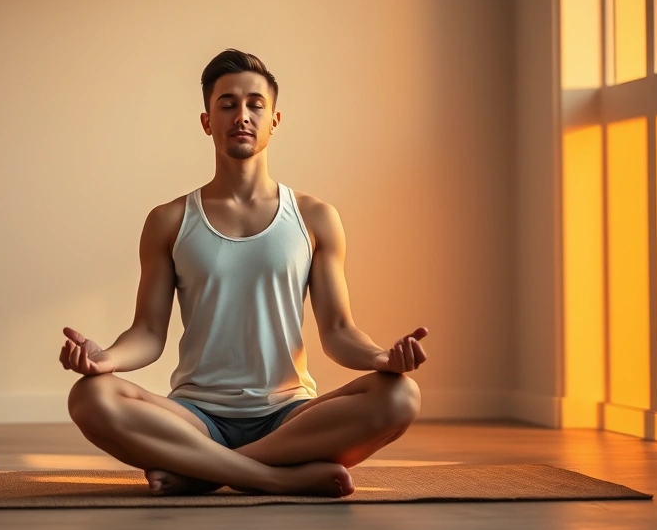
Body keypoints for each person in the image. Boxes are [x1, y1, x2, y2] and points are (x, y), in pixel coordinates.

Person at [60, 49, 427, 498]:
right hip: (195, 417)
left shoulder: (315, 217)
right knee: (89, 397)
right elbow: (149, 332)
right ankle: (277, 477)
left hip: (289, 415)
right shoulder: (168, 220)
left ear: (274, 120)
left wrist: (381, 359)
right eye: (227, 104)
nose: (242, 115)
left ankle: (204, 471)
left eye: (255, 104)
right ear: (206, 121)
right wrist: (106, 361)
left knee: (400, 395)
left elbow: (338, 330)